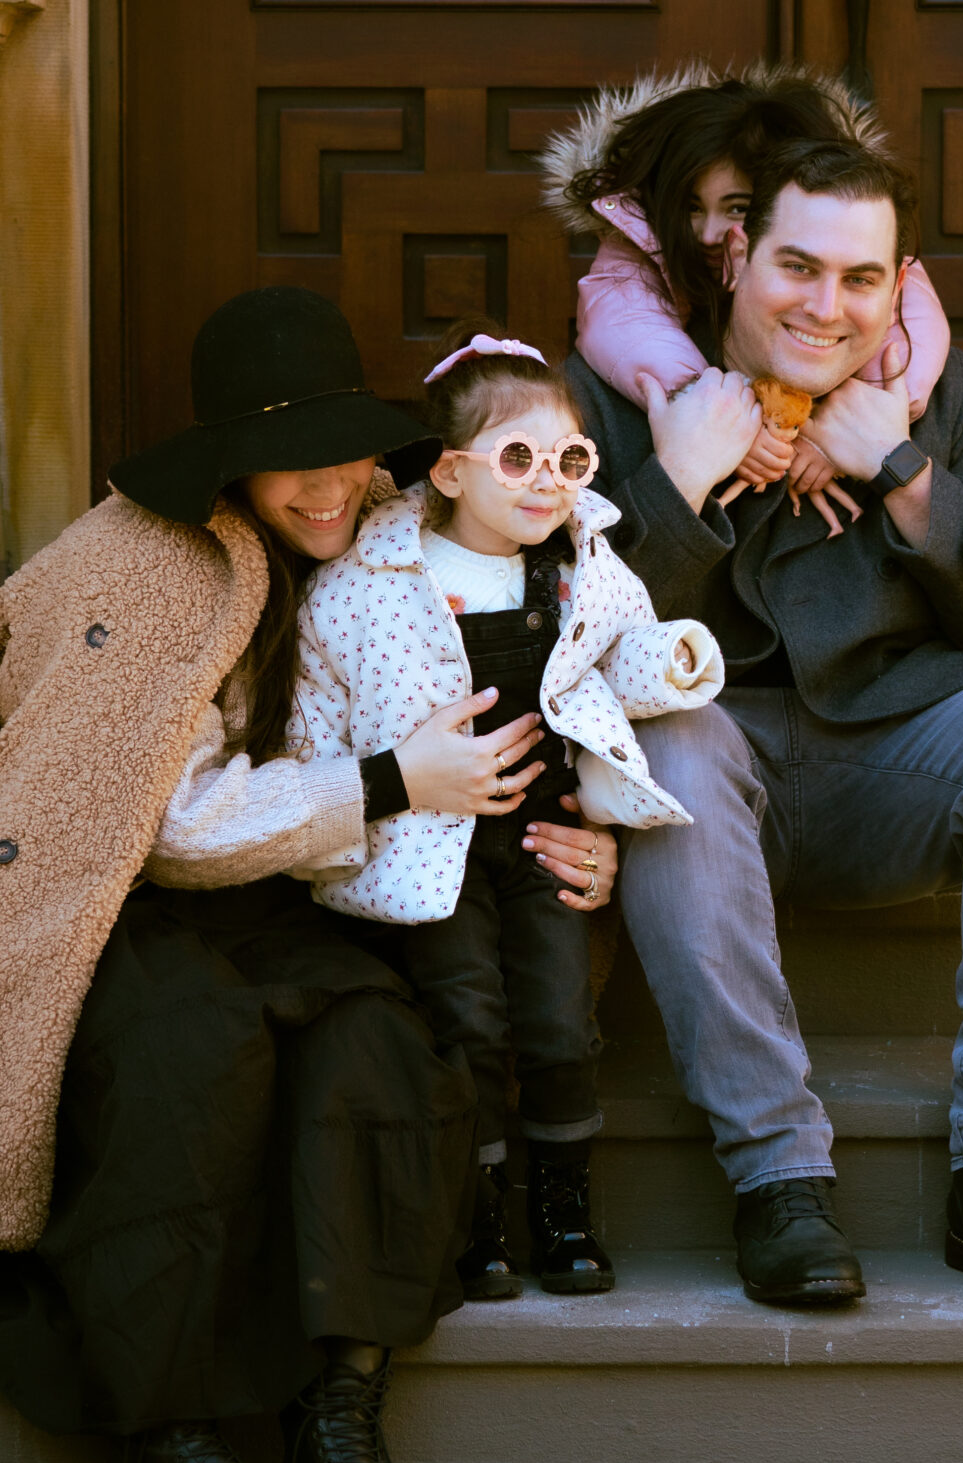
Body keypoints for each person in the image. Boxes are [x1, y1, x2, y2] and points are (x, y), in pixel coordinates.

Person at [0, 288, 618, 1463]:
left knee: (378, 1043)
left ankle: (336, 1415)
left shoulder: (398, 533)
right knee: (192, 1053)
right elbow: (161, 824)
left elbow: (559, 676)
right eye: (293, 460)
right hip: (102, 899)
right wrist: (384, 785)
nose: (329, 487)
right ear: (230, 465)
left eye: (347, 450)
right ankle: (164, 1439)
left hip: (291, 885)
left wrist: (588, 828)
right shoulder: (135, 572)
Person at [562, 125, 963, 1310]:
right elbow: (563, 652)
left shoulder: (927, 395)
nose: (829, 307)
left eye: (862, 277)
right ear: (732, 259)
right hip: (715, 778)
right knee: (667, 740)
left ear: (897, 285)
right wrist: (675, 486)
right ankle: (777, 1177)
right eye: (797, 267)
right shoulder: (620, 400)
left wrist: (910, 474)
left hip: (892, 761)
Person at [288, 331, 724, 1301]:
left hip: (539, 832)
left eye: (571, 460)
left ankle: (563, 1208)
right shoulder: (362, 587)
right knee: (466, 1020)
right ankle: (474, 1211)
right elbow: (315, 732)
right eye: (517, 458)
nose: (549, 482)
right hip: (422, 841)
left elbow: (626, 656)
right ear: (449, 471)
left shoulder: (583, 567)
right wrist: (352, 819)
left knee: (560, 1021)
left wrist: (680, 661)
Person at [545, 64, 951, 532]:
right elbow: (622, 324)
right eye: (691, 207)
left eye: (737, 207)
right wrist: (719, 411)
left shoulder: (867, 250)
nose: (711, 233)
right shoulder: (634, 262)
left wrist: (869, 427)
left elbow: (911, 327)